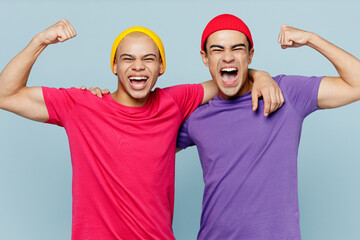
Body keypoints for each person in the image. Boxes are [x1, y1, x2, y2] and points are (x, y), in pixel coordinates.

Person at [0, 19, 283, 239]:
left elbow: (229, 80)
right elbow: (5, 94)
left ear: (161, 67)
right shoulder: (81, 106)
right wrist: (39, 41)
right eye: (128, 59)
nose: (138, 67)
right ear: (114, 65)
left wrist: (261, 75)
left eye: (148, 59)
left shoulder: (173, 101)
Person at [176, 14, 360, 240]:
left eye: (237, 49)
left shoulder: (287, 93)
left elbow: (357, 84)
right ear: (205, 57)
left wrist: (312, 39)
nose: (227, 57)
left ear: (250, 55)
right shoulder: (197, 117)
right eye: (217, 50)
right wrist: (258, 74)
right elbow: (147, 146)